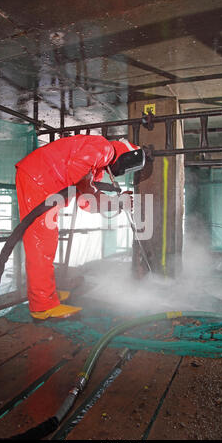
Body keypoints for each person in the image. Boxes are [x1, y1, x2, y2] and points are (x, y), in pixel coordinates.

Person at [15, 134, 145, 322]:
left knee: (45, 243)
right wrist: (95, 190)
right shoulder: (104, 149)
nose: (117, 171)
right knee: (41, 244)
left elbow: (88, 202)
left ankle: (47, 295)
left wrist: (117, 204)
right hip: (38, 178)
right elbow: (80, 174)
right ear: (125, 156)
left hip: (43, 183)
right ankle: (42, 306)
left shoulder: (95, 168)